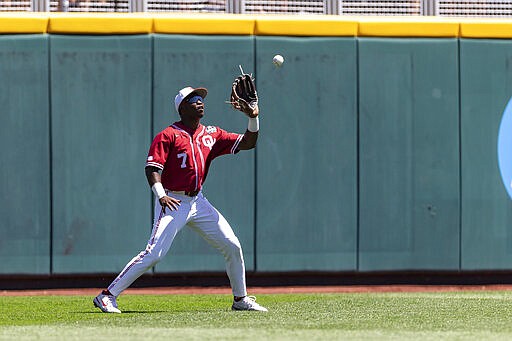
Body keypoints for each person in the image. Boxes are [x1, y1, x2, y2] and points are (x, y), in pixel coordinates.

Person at [93, 85, 267, 313]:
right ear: (182, 107)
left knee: (232, 245)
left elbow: (248, 143)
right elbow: (152, 168)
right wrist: (161, 195)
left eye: (201, 98)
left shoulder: (211, 134)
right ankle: (106, 296)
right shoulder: (168, 135)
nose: (200, 101)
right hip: (173, 200)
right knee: (154, 253)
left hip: (198, 202)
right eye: (193, 99)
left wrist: (253, 117)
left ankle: (240, 299)